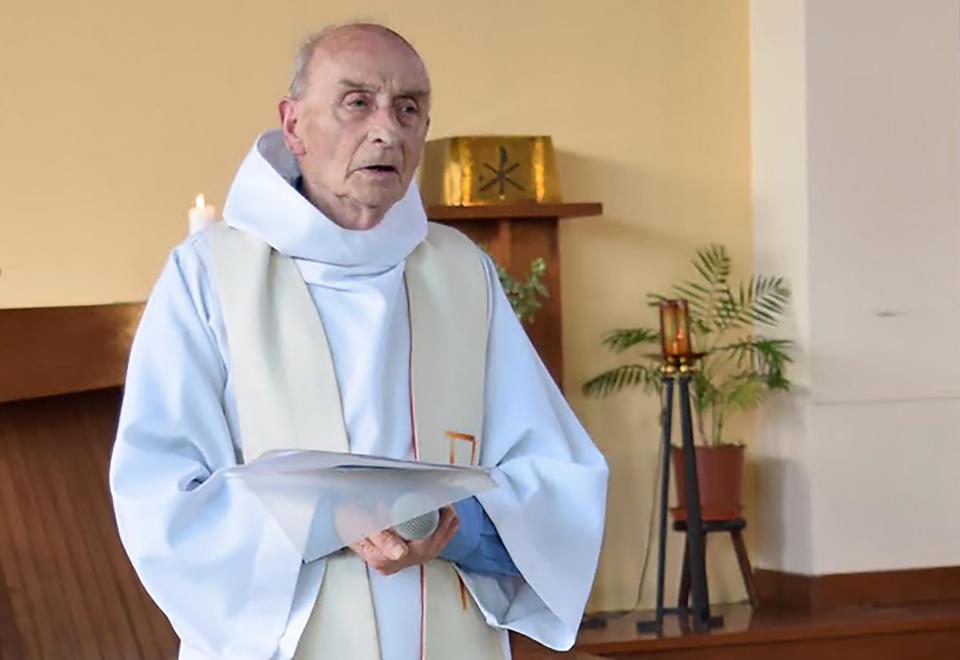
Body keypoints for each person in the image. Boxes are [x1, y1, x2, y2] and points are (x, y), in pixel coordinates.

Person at [110, 22, 608, 660]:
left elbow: (556, 473)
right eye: (356, 102)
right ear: (293, 125)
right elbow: (160, 492)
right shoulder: (210, 274)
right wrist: (330, 519)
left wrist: (448, 527)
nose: (386, 130)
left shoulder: (459, 272)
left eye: (409, 109)